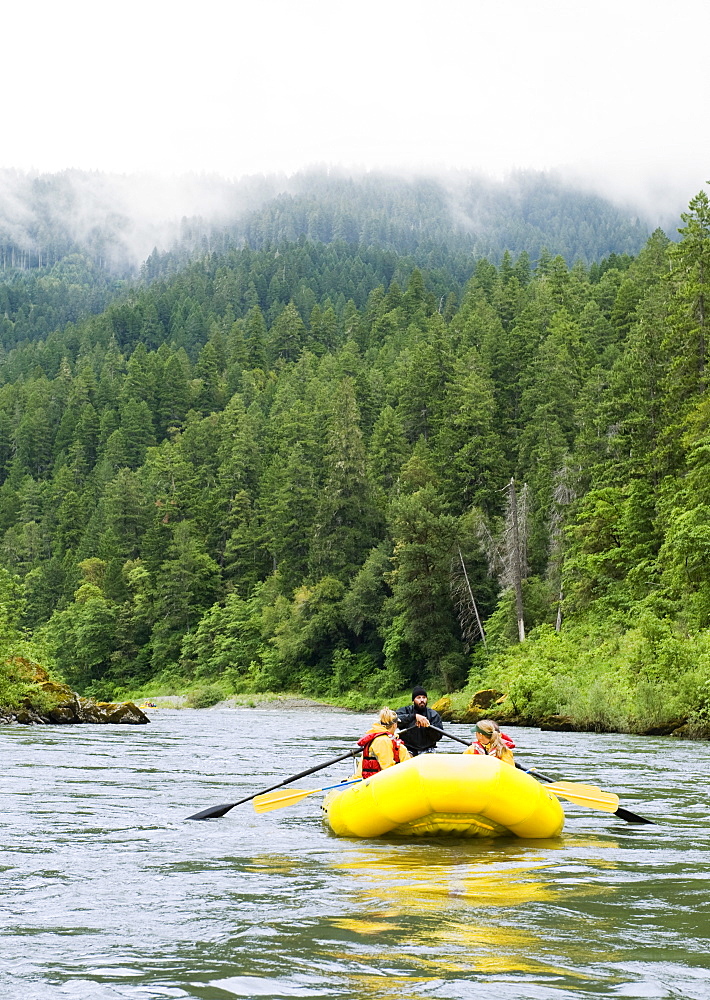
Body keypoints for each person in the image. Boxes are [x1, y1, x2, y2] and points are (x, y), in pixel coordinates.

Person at [355, 707, 412, 778]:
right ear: (394, 725)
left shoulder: (385, 737)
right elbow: (387, 768)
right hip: (377, 781)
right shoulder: (382, 741)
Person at [395, 686, 443, 756]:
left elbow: (438, 736)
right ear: (413, 700)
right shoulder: (405, 711)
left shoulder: (433, 715)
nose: (422, 700)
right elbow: (394, 720)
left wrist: (428, 727)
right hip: (408, 749)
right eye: (418, 698)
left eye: (424, 697)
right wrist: (414, 716)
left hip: (428, 749)